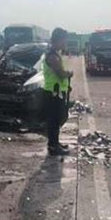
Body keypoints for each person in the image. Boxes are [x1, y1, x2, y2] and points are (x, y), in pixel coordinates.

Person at [43, 28, 73, 156]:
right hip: (53, 93)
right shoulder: (52, 56)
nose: (65, 43)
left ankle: (55, 143)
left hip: (56, 92)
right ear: (58, 40)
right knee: (54, 120)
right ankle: (53, 146)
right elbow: (60, 74)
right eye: (64, 40)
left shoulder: (55, 54)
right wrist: (69, 74)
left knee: (57, 119)